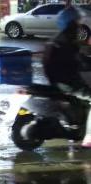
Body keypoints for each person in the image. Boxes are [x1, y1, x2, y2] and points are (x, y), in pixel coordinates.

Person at [42, 5, 91, 147]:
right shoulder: (68, 39)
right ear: (71, 22)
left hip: (59, 80)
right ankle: (89, 136)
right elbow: (77, 60)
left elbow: (77, 58)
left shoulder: (59, 38)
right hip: (67, 82)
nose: (79, 24)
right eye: (77, 21)